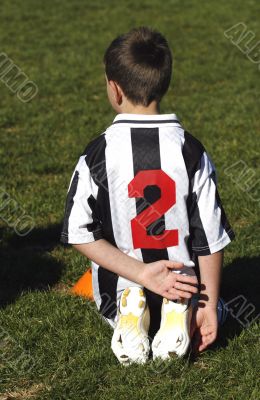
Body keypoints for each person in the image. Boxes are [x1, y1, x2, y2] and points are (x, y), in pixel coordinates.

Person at [60, 27, 235, 364]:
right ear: (163, 84)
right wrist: (209, 304)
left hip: (124, 283)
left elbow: (79, 233)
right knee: (219, 306)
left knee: (121, 293)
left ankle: (129, 306)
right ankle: (180, 310)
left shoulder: (97, 153)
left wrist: (141, 274)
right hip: (184, 284)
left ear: (114, 89)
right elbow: (210, 239)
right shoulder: (191, 151)